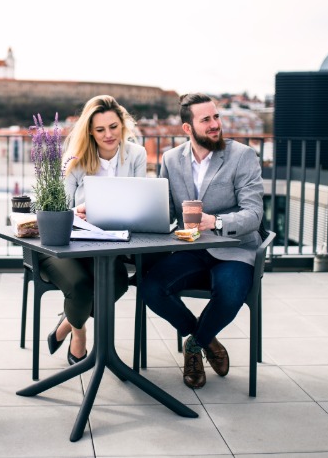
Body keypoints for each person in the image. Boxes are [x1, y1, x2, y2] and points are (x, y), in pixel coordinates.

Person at [139, 93, 264, 389]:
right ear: (187, 128)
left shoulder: (242, 156)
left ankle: (194, 346)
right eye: (206, 119)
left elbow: (254, 214)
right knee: (150, 287)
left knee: (230, 292)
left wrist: (217, 222)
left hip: (234, 248)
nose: (214, 124)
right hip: (192, 247)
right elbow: (167, 211)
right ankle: (202, 337)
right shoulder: (171, 159)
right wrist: (140, 214)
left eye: (216, 117)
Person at [41, 95, 147, 365]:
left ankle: (67, 321)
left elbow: (139, 199)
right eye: (100, 130)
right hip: (69, 245)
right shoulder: (74, 160)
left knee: (118, 282)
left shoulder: (136, 154)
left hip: (110, 245)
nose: (108, 135)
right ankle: (78, 333)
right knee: (80, 286)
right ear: (90, 130)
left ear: (122, 125)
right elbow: (59, 207)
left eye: (113, 127)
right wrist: (75, 211)